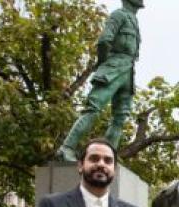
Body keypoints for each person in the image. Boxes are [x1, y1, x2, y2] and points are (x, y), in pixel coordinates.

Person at [58, 0, 144, 161]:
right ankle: (66, 148)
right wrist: (104, 64)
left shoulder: (134, 20)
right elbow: (104, 40)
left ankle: (109, 154)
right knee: (93, 108)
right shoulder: (118, 15)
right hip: (113, 67)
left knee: (120, 117)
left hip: (128, 71)